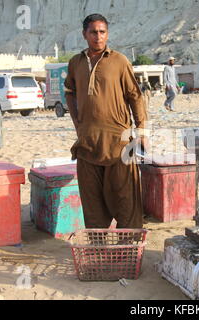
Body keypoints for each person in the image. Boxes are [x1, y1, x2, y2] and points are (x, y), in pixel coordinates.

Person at [64, 14, 148, 229]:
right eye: (93, 32)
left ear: (107, 34)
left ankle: (127, 250)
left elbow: (135, 96)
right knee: (92, 203)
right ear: (85, 34)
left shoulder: (119, 60)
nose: (98, 37)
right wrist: (78, 124)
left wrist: (142, 131)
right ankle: (98, 251)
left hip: (119, 142)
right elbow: (70, 92)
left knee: (126, 200)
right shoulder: (76, 62)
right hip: (88, 143)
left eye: (102, 32)